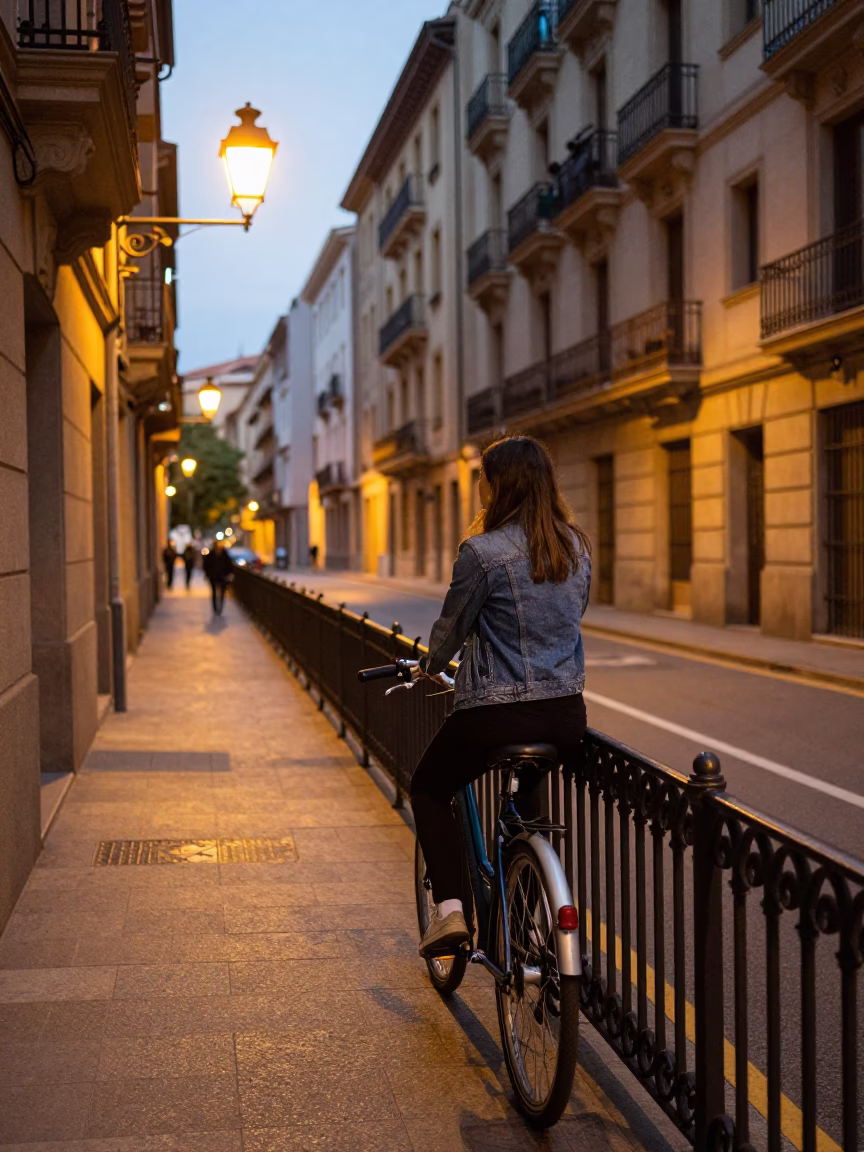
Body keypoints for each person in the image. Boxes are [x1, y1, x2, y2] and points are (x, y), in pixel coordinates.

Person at [410, 436, 591, 958]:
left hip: (494, 714)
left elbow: (450, 631)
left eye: (483, 480)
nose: (480, 490)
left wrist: (429, 668)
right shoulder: (575, 547)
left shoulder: (482, 553)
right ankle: (526, 929)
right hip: (562, 717)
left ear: (498, 486)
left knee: (428, 788)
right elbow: (569, 620)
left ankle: (450, 913)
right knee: (528, 813)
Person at [203, 541, 234, 616]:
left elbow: (229, 565)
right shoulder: (211, 555)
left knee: (222, 593)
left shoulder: (224, 555)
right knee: (214, 592)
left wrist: (229, 574)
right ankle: (215, 608)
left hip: (223, 577)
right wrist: (208, 573)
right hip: (213, 576)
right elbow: (206, 565)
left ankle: (220, 608)